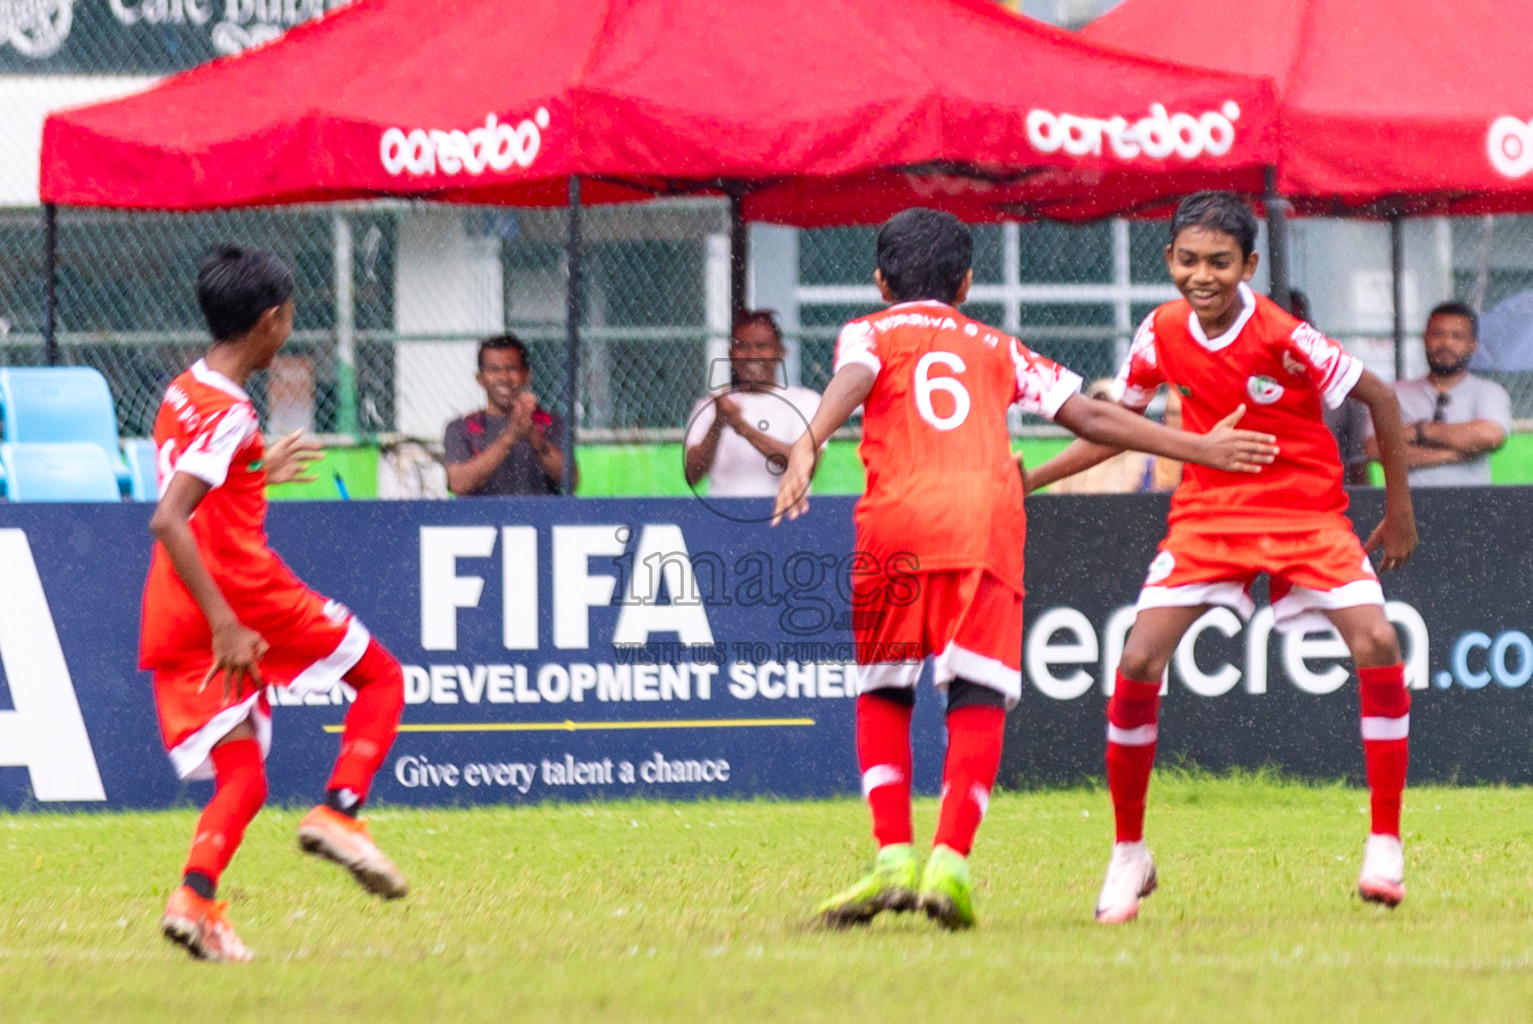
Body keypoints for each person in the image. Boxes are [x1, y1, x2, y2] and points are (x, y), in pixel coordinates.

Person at [772, 207, 1278, 931]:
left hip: (893, 524)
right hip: (983, 521)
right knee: (976, 692)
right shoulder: (998, 347)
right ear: (968, 283)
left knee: (884, 691)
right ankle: (948, 861)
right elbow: (1092, 419)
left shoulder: (868, 331)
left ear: (881, 282)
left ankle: (891, 857)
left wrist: (809, 439)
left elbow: (854, 377)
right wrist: (1196, 447)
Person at [1025, 191, 1418, 924]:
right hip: (1209, 514)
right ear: (1169, 258)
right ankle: (1126, 854)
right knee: (1138, 659)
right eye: (1186, 260)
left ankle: (1384, 842)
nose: (1200, 276)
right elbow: (1116, 425)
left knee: (1376, 640)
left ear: (1248, 266)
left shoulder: (1284, 334)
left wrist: (1397, 513)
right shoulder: (1159, 331)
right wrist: (1032, 478)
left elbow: (1380, 399)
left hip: (1304, 512)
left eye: (1218, 262)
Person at [144, 245, 409, 963]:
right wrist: (229, 623)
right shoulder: (230, 415)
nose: (290, 326)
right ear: (270, 321)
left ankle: (194, 901)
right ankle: (341, 811)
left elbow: (201, 478)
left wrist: (258, 469)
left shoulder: (183, 390)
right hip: (236, 597)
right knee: (383, 679)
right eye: (289, 315)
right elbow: (169, 516)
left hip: (175, 600)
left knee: (244, 776)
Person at [1363, 302, 1510, 487]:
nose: (1446, 343)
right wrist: (1453, 454)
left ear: (1473, 345)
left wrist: (1418, 431)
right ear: (1425, 338)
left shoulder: (1489, 392)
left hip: (1473, 506)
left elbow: (1490, 436)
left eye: (1457, 336)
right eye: (1438, 334)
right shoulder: (1394, 393)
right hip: (1407, 509)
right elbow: (1375, 448)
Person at [684, 311, 821, 496]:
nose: (752, 355)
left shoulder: (805, 401)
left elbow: (806, 465)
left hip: (788, 516)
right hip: (724, 518)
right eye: (743, 347)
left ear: (780, 352)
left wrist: (741, 427)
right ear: (731, 354)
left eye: (762, 346)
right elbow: (692, 475)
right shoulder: (711, 406)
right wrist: (717, 423)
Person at [444, 333, 567, 496]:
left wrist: (537, 440)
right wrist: (510, 436)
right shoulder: (461, 428)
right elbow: (458, 483)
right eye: (494, 370)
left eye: (511, 368)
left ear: (527, 376)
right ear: (480, 378)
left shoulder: (550, 423)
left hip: (539, 521)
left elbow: (571, 480)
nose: (503, 377)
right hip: (483, 521)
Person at [1046, 380, 1184, 494]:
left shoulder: (1141, 459)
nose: (1102, 413)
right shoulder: (1072, 460)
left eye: (1109, 406)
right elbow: (1055, 499)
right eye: (1096, 406)